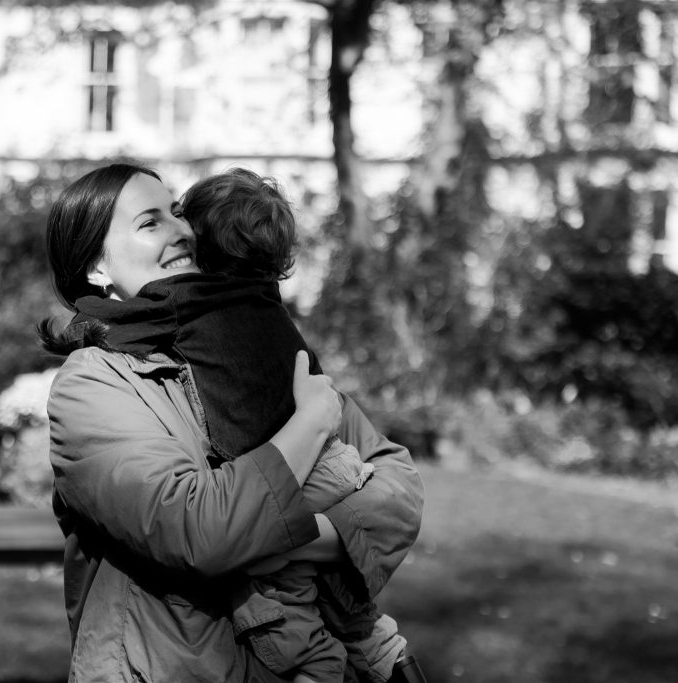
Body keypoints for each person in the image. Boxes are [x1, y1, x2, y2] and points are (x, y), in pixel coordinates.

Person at [39, 162, 424, 683]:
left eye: (177, 213)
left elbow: (395, 483)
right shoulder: (94, 383)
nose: (181, 230)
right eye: (150, 223)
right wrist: (309, 424)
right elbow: (196, 529)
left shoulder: (243, 338)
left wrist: (309, 537)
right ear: (96, 268)